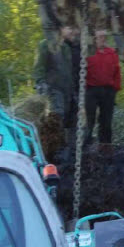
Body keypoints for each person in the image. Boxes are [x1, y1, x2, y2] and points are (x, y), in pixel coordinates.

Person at [33, 26, 76, 159]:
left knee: (69, 119)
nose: (71, 31)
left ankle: (66, 149)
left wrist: (73, 89)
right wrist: (40, 83)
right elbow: (38, 66)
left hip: (67, 90)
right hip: (52, 89)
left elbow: (69, 72)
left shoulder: (66, 48)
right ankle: (52, 151)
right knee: (56, 117)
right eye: (68, 28)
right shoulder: (46, 44)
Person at [83, 30, 121, 150]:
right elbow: (81, 71)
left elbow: (117, 72)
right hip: (91, 90)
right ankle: (85, 143)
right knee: (90, 118)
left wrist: (115, 88)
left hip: (108, 90)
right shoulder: (88, 53)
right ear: (95, 38)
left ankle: (105, 145)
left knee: (106, 119)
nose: (103, 39)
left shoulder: (111, 53)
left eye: (104, 37)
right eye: (100, 37)